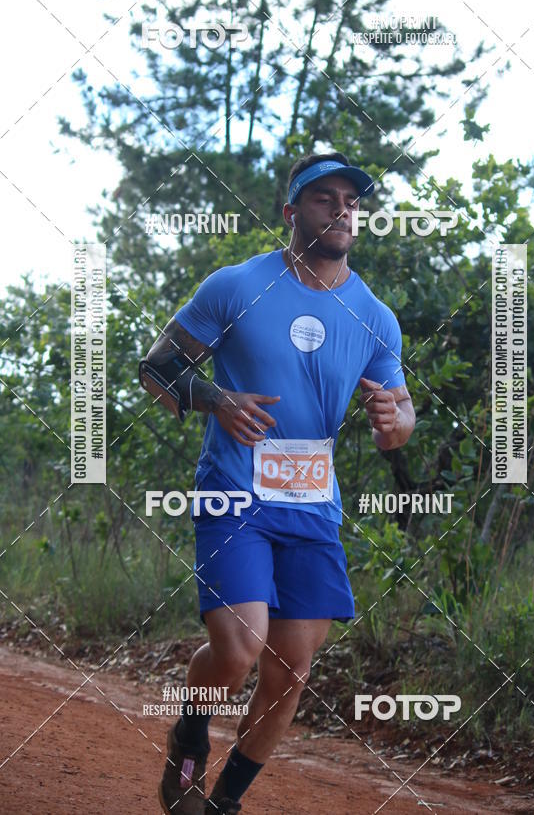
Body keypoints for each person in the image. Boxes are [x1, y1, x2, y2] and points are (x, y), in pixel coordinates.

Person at [140, 151, 416, 814]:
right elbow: (156, 368)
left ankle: (224, 802)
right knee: (236, 650)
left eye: (352, 202)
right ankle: (191, 732)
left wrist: (395, 419)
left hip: (313, 505)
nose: (342, 210)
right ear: (292, 212)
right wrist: (216, 400)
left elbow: (397, 422)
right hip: (233, 489)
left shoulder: (375, 317)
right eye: (326, 199)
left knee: (290, 669)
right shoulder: (235, 286)